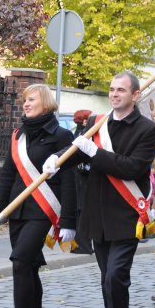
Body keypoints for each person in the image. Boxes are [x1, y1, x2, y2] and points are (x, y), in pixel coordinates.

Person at [43, 71, 155, 308]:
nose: (114, 94)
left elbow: (134, 168)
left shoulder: (147, 130)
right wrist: (55, 160)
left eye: (121, 90)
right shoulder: (99, 123)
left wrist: (97, 153)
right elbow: (74, 149)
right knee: (108, 283)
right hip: (98, 214)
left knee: (115, 278)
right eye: (111, 89)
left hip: (126, 215)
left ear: (135, 95)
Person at [0, 84, 77, 308]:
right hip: (19, 210)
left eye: (32, 99)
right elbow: (7, 176)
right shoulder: (18, 135)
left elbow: (71, 180)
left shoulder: (62, 135)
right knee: (28, 269)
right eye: (24, 100)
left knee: (20, 262)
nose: (25, 104)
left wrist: (70, 220)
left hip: (44, 211)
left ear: (46, 103)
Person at [71, 109, 94, 255]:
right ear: (85, 120)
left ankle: (80, 245)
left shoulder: (77, 133)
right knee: (83, 213)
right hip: (83, 179)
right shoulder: (83, 134)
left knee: (81, 212)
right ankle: (82, 245)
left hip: (79, 179)